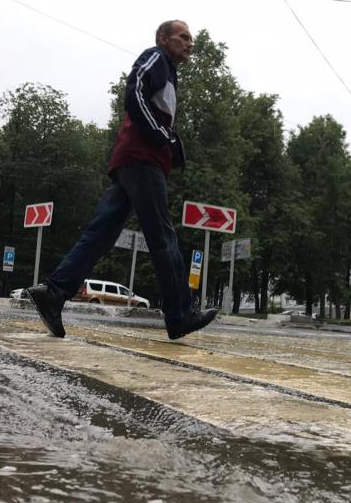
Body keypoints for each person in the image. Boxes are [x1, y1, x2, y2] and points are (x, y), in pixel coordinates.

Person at [27, 20, 217, 340]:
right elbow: (135, 93)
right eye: (183, 37)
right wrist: (160, 138)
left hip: (134, 162)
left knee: (101, 233)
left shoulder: (170, 72)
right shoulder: (156, 58)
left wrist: (173, 143)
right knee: (163, 237)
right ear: (163, 38)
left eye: (191, 39)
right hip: (142, 162)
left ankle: (54, 293)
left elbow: (152, 110)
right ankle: (180, 315)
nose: (189, 44)